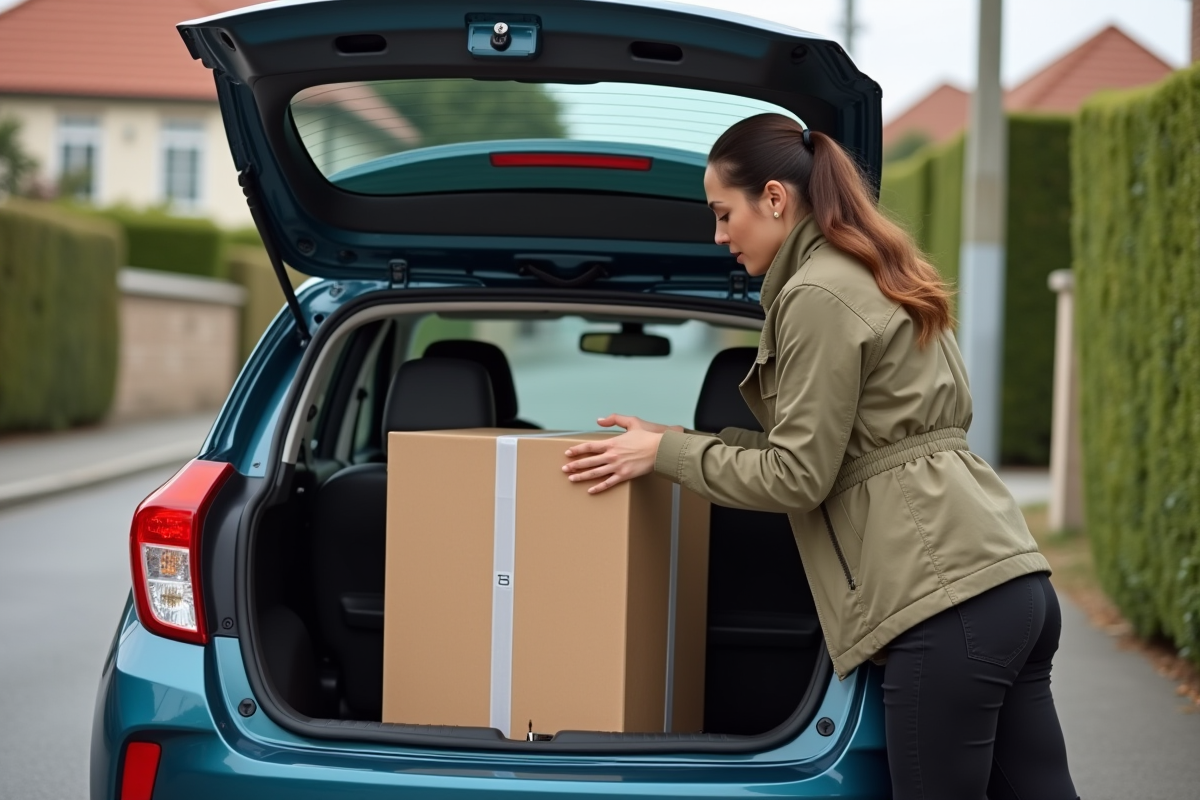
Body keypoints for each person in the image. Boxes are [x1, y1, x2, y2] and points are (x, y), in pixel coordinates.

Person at [561, 113, 1078, 800]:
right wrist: (674, 442)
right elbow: (842, 451)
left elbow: (798, 477)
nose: (718, 237)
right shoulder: (868, 266)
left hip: (942, 602)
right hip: (1008, 582)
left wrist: (669, 456)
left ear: (775, 198)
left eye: (723, 214)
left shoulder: (815, 294)